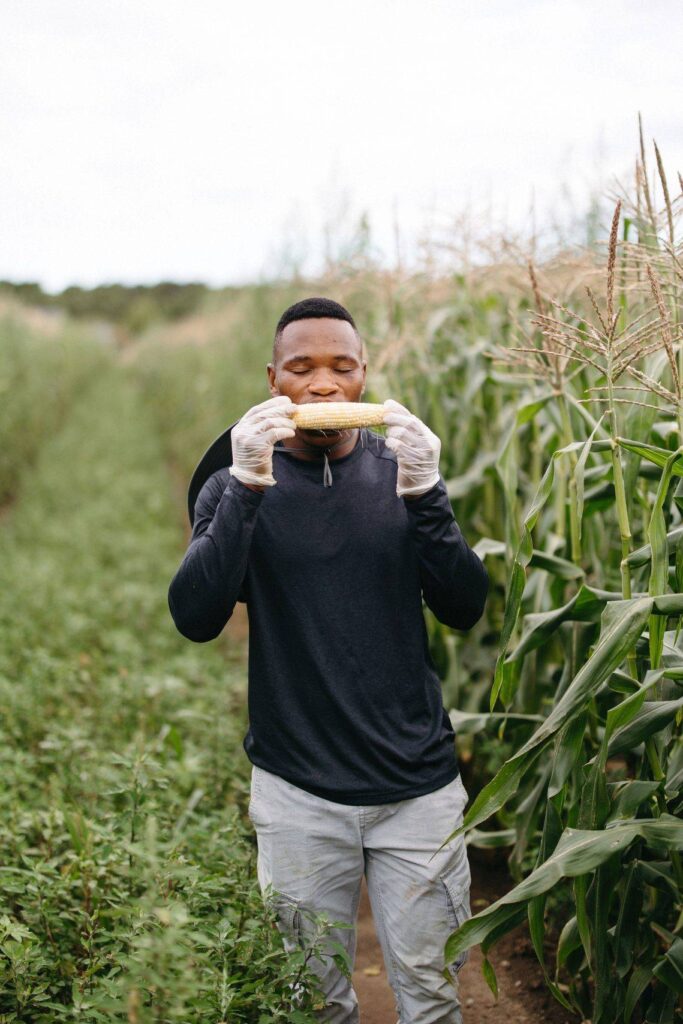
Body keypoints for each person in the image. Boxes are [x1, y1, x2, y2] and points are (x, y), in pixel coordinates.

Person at [168, 296, 489, 1023]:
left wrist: (428, 495)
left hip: (417, 789)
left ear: (364, 376)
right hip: (298, 790)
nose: (322, 386)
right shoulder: (232, 481)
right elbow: (195, 616)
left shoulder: (401, 474)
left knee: (432, 994)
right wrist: (247, 487)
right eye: (302, 369)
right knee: (312, 1003)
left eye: (341, 368)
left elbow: (465, 607)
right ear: (272, 378)